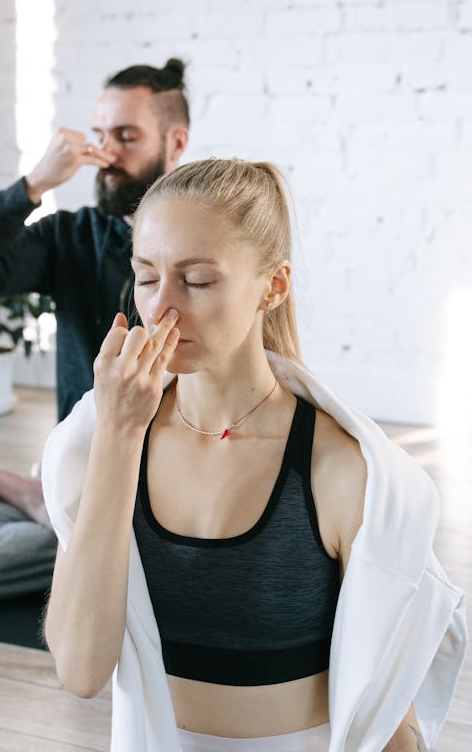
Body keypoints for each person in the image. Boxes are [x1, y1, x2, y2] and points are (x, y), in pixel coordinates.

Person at [42, 158, 467, 752]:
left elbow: (384, 710)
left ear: (273, 285)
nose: (162, 306)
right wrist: (118, 434)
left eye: (197, 281)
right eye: (146, 277)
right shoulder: (101, 442)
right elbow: (82, 672)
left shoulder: (341, 473)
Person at [0, 58, 190, 604]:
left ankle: (79, 530)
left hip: (169, 496)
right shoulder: (71, 238)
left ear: (175, 143)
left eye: (126, 136)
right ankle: (67, 525)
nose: (107, 153)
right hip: (74, 472)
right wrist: (32, 185)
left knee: (180, 544)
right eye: (100, 135)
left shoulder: (205, 248)